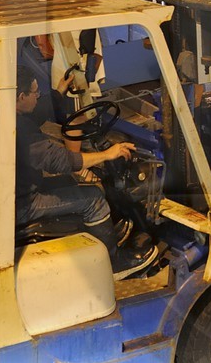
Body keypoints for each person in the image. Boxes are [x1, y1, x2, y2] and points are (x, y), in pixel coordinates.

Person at [12, 62, 157, 279]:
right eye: (34, 93)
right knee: (94, 198)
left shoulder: (3, 113)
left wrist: (60, 92)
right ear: (21, 97)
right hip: (24, 203)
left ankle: (102, 236)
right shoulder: (20, 130)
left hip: (17, 191)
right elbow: (59, 161)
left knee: (72, 182)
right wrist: (108, 154)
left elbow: (38, 111)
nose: (37, 96)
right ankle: (113, 264)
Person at [52, 0, 105, 115]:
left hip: (83, 69)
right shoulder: (67, 6)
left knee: (83, 115)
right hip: (74, 72)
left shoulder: (78, 0)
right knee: (76, 119)